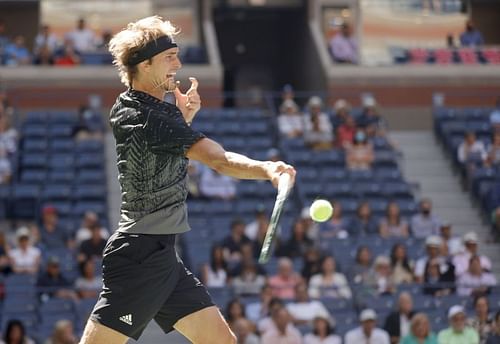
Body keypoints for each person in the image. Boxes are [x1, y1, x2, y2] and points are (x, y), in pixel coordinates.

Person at [81, 15, 295, 344]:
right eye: (170, 57)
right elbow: (217, 160)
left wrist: (181, 118)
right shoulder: (150, 118)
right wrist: (268, 169)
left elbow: (161, 148)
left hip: (163, 255)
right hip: (139, 257)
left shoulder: (130, 107)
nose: (178, 64)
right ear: (144, 63)